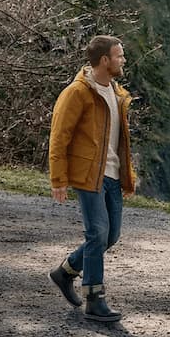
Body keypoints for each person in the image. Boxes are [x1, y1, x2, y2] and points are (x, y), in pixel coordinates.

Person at [47, 35, 137, 322]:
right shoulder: (77, 93)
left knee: (110, 235)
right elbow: (59, 137)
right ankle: (94, 299)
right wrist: (58, 178)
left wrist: (127, 176)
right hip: (88, 176)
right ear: (104, 60)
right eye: (119, 56)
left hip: (111, 176)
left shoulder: (117, 93)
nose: (123, 60)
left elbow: (120, 142)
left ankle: (65, 271)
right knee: (97, 233)